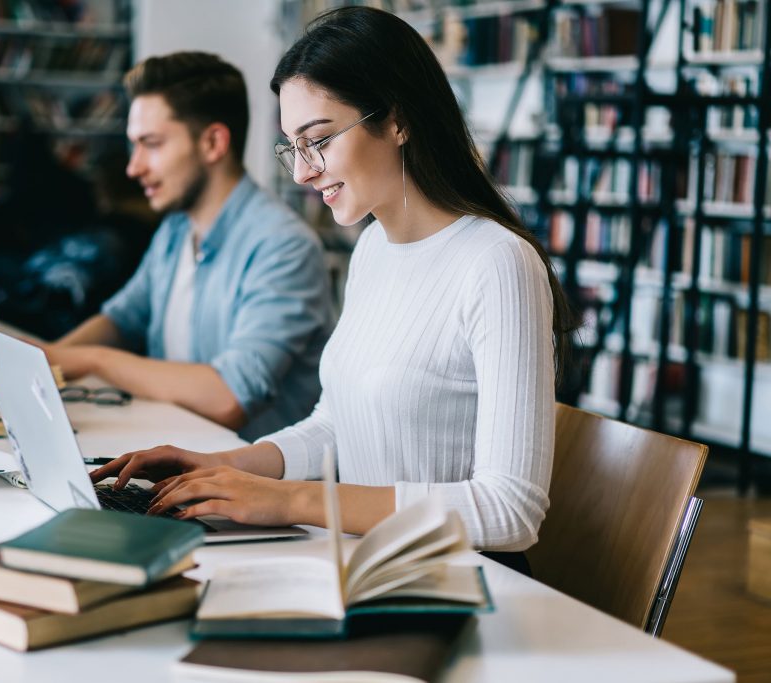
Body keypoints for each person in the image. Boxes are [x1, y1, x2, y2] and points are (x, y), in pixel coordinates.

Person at [92, 7, 578, 562]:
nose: (301, 173)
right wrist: (222, 466)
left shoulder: (497, 262)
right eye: (292, 147)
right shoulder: (373, 248)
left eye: (318, 140)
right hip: (361, 561)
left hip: (454, 581)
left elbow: (509, 512)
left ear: (397, 120)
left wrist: (292, 501)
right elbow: (335, 426)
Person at [45, 52, 333, 441]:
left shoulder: (284, 246)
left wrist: (89, 361)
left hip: (247, 488)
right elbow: (122, 319)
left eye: (151, 144)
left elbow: (230, 396)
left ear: (213, 142)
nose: (134, 167)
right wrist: (40, 364)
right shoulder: (176, 230)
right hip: (175, 462)